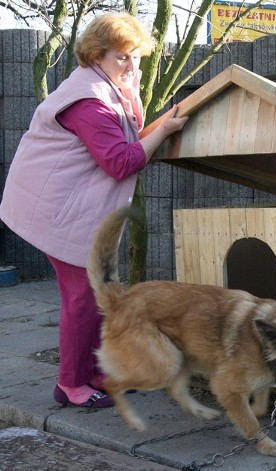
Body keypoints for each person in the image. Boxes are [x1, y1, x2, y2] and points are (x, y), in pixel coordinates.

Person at [0, 13, 188, 408]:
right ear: (96, 55)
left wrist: (158, 123)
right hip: (59, 211)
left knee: (96, 294)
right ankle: (70, 384)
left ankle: (99, 373)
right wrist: (166, 132)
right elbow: (120, 161)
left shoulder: (106, 88)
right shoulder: (88, 99)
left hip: (72, 205)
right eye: (123, 57)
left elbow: (129, 140)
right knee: (83, 298)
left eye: (136, 57)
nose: (132, 67)